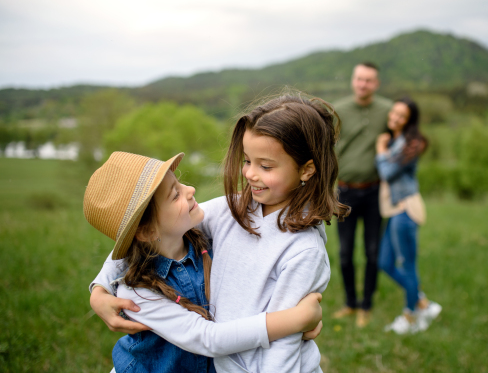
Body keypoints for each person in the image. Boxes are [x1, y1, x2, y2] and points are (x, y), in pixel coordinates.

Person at [90, 94, 350, 373]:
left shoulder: (301, 248)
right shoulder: (234, 210)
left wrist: (298, 322)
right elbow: (141, 241)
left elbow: (283, 347)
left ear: (307, 170)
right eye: (248, 160)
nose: (249, 174)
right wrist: (100, 288)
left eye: (266, 165)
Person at [375, 97, 442, 335]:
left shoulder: (413, 143)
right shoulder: (397, 140)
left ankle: (410, 317)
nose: (394, 118)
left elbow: (388, 172)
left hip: (406, 209)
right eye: (393, 113)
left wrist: (381, 150)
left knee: (408, 265)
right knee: (384, 263)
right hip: (394, 210)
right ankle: (423, 303)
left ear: (409, 120)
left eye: (401, 116)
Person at [333, 62, 392, 327]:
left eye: (368, 80)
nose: (363, 84)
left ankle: (366, 305)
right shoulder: (339, 110)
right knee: (345, 253)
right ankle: (350, 303)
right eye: (359, 79)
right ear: (352, 80)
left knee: (373, 252)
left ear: (376, 84)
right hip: (344, 192)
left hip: (375, 192)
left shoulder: (388, 111)